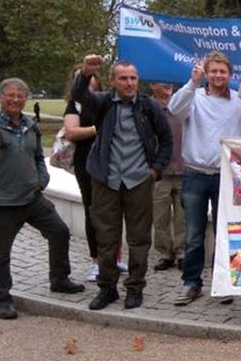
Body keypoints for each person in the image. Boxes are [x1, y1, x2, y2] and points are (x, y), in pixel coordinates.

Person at [0, 77, 84, 319]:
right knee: (0, 254)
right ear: (1, 98)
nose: (16, 100)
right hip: (1, 205)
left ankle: (59, 278)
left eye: (21, 96)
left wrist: (41, 181)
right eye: (11, 95)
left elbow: (39, 158)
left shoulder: (30, 125)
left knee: (59, 232)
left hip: (32, 200)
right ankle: (1, 298)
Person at [72, 56, 173, 311]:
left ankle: (135, 287)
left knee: (139, 239)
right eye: (123, 78)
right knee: (106, 237)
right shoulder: (103, 103)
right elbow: (79, 95)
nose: (129, 83)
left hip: (138, 180)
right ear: (113, 81)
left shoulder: (148, 106)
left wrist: (156, 170)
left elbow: (166, 139)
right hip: (106, 180)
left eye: (133, 78)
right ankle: (107, 288)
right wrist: (85, 72)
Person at [168, 51, 241, 306]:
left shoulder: (240, 102)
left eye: (222, 71)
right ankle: (191, 283)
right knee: (194, 234)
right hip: (195, 174)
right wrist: (192, 83)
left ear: (230, 74)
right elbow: (174, 109)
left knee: (225, 232)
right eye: (213, 71)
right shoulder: (194, 97)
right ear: (206, 72)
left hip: (226, 176)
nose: (218, 76)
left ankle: (223, 282)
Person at [63, 62, 108, 283]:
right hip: (86, 163)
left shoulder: (105, 101)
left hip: (108, 161)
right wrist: (97, 130)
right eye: (80, 77)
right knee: (93, 210)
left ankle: (113, 257)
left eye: (89, 76)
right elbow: (71, 132)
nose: (86, 80)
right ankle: (96, 260)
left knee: (111, 212)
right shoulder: (75, 106)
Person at [148, 82, 185, 271]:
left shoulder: (181, 105)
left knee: (182, 217)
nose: (168, 85)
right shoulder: (148, 107)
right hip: (159, 172)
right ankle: (164, 253)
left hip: (183, 169)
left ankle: (181, 253)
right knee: (160, 217)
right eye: (162, 82)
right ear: (153, 85)